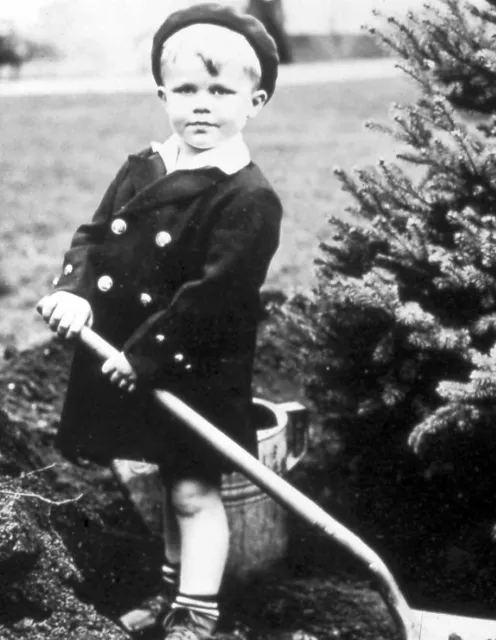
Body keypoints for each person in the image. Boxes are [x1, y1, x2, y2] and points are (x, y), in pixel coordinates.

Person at [36, 4, 282, 639]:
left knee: (195, 492)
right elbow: (94, 238)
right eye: (187, 91)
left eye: (221, 92)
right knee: (171, 484)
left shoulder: (248, 196)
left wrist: (144, 355)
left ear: (254, 102)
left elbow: (217, 296)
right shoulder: (143, 165)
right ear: (162, 94)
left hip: (191, 363)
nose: (202, 106)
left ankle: (197, 617)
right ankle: (174, 591)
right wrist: (78, 293)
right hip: (136, 356)